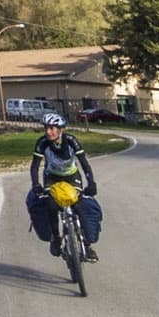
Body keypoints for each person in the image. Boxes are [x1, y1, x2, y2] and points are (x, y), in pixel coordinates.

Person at [26, 112, 102, 261]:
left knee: (78, 206)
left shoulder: (72, 141)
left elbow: (84, 164)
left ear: (61, 130)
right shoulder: (42, 143)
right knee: (51, 206)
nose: (48, 132)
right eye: (46, 128)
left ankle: (87, 247)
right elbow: (34, 166)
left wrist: (91, 182)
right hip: (52, 177)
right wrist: (36, 184)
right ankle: (56, 239)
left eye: (52, 128)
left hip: (72, 176)